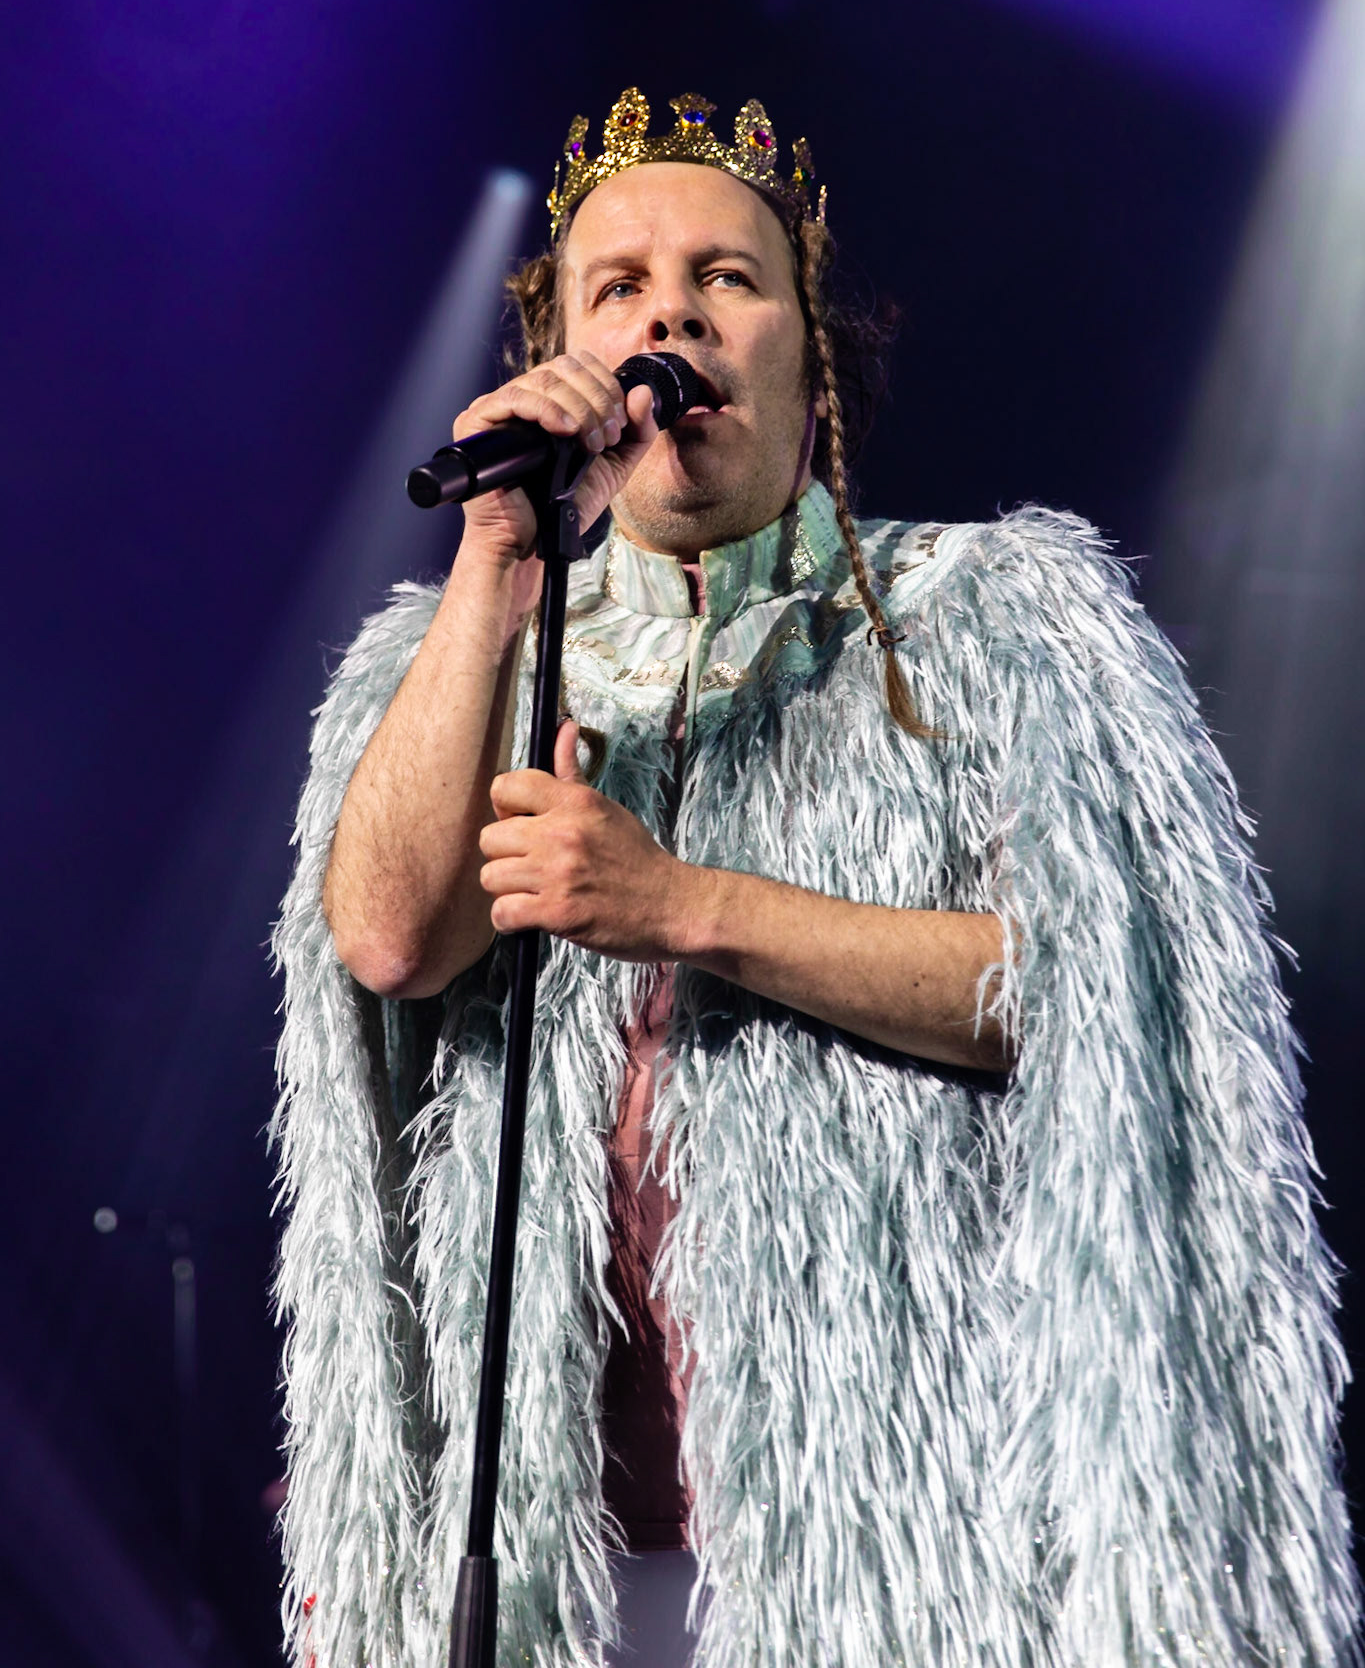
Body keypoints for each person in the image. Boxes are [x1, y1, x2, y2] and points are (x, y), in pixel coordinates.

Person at [272, 88, 1360, 1668]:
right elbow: (387, 938)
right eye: (619, 287)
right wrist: (494, 563)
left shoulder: (992, 624)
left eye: (725, 277)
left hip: (898, 1558)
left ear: (808, 339)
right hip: (542, 1583)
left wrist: (678, 905)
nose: (671, 318)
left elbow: (1089, 997)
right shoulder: (466, 656)